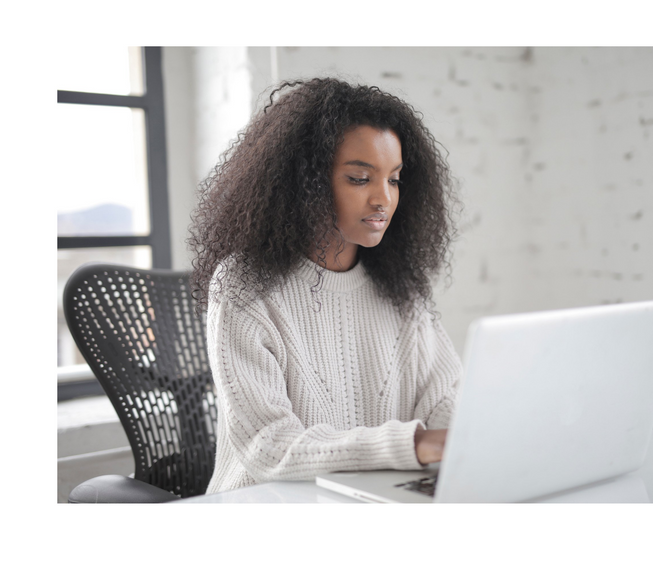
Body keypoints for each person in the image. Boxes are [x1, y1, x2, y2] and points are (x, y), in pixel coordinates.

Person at [188, 77, 464, 493]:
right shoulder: (243, 286)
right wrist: (413, 444)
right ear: (305, 184)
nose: (383, 199)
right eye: (359, 179)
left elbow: (444, 400)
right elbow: (268, 446)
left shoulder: (401, 287)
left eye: (394, 179)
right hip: (263, 507)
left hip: (372, 498)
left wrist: (464, 439)